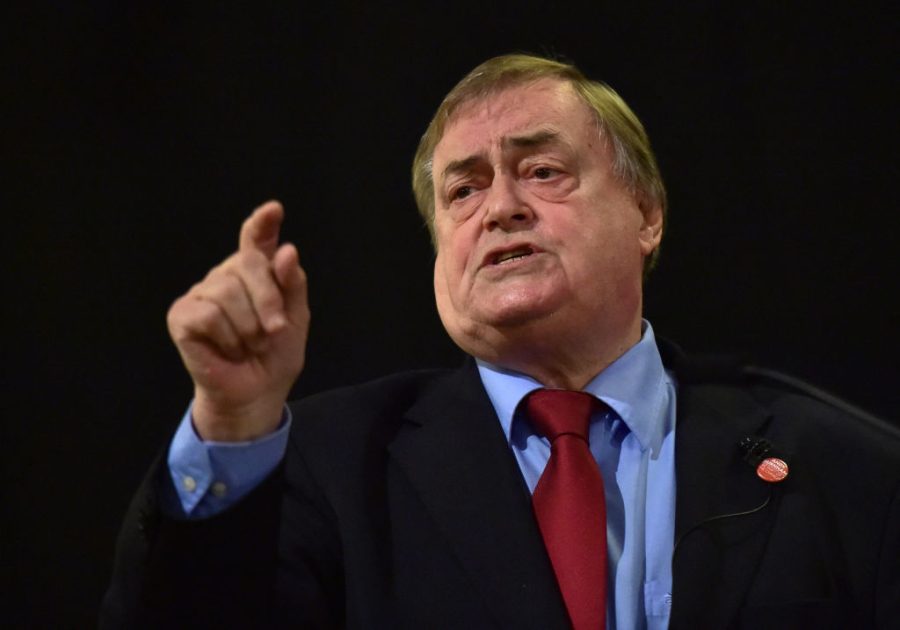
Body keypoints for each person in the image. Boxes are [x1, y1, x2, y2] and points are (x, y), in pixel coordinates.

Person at [101, 54, 900, 629]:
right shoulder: (327, 467)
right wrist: (231, 422)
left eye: (543, 171)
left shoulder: (838, 464)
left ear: (647, 213)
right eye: (463, 189)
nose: (500, 207)